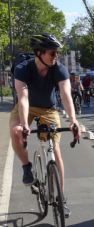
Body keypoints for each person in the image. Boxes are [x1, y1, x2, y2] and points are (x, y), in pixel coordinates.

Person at [9, 32, 81, 217]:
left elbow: (66, 96)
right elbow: (23, 99)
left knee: (55, 150)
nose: (56, 56)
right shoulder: (23, 68)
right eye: (52, 52)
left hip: (49, 109)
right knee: (16, 132)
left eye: (57, 52)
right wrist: (25, 125)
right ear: (39, 53)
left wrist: (73, 122)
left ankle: (61, 198)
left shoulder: (59, 69)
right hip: (27, 107)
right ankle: (27, 166)